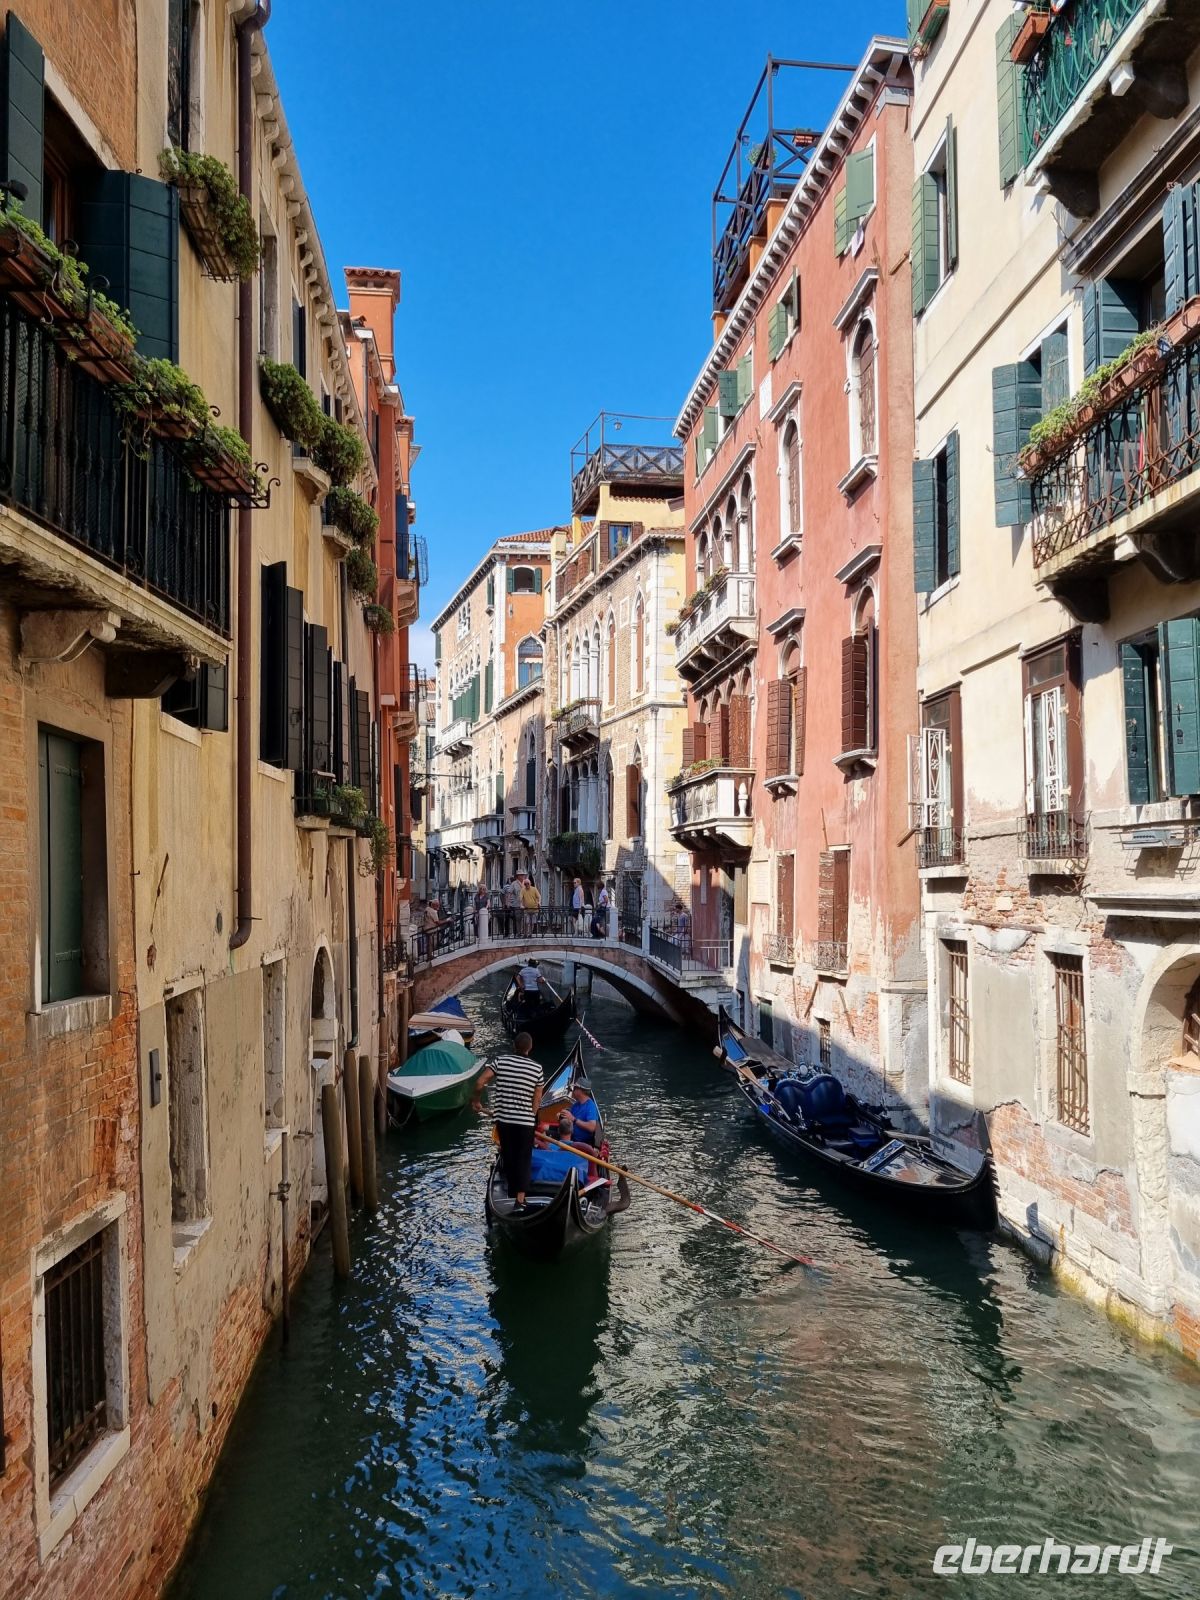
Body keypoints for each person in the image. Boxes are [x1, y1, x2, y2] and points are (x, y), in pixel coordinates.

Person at [472, 1032, 542, 1212]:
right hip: (525, 1122)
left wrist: (476, 1101)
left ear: (514, 1046)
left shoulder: (500, 1062)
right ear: (530, 1048)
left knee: (508, 1155)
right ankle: (520, 1200)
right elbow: (537, 1100)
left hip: (504, 1120)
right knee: (523, 1159)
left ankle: (509, 1192)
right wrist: (531, 1117)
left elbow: (480, 1082)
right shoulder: (537, 1069)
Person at [569, 1081, 600, 1147]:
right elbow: (570, 1120)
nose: (572, 1090)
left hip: (583, 1144)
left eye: (574, 1088)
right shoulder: (575, 1105)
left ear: (580, 1091)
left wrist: (574, 1120)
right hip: (571, 1139)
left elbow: (591, 1127)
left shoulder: (590, 1107)